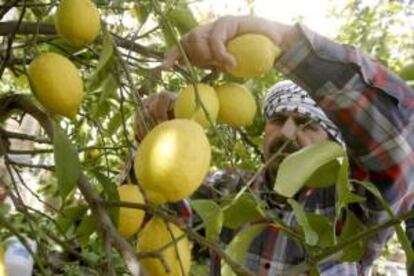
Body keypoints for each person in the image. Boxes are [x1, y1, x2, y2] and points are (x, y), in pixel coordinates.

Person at [135, 15, 414, 275]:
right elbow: (156, 215)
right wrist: (158, 136)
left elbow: (399, 141)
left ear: (332, 142)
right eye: (279, 119)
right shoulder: (227, 189)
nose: (288, 133)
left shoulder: (351, 208)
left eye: (308, 125)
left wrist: (283, 44)